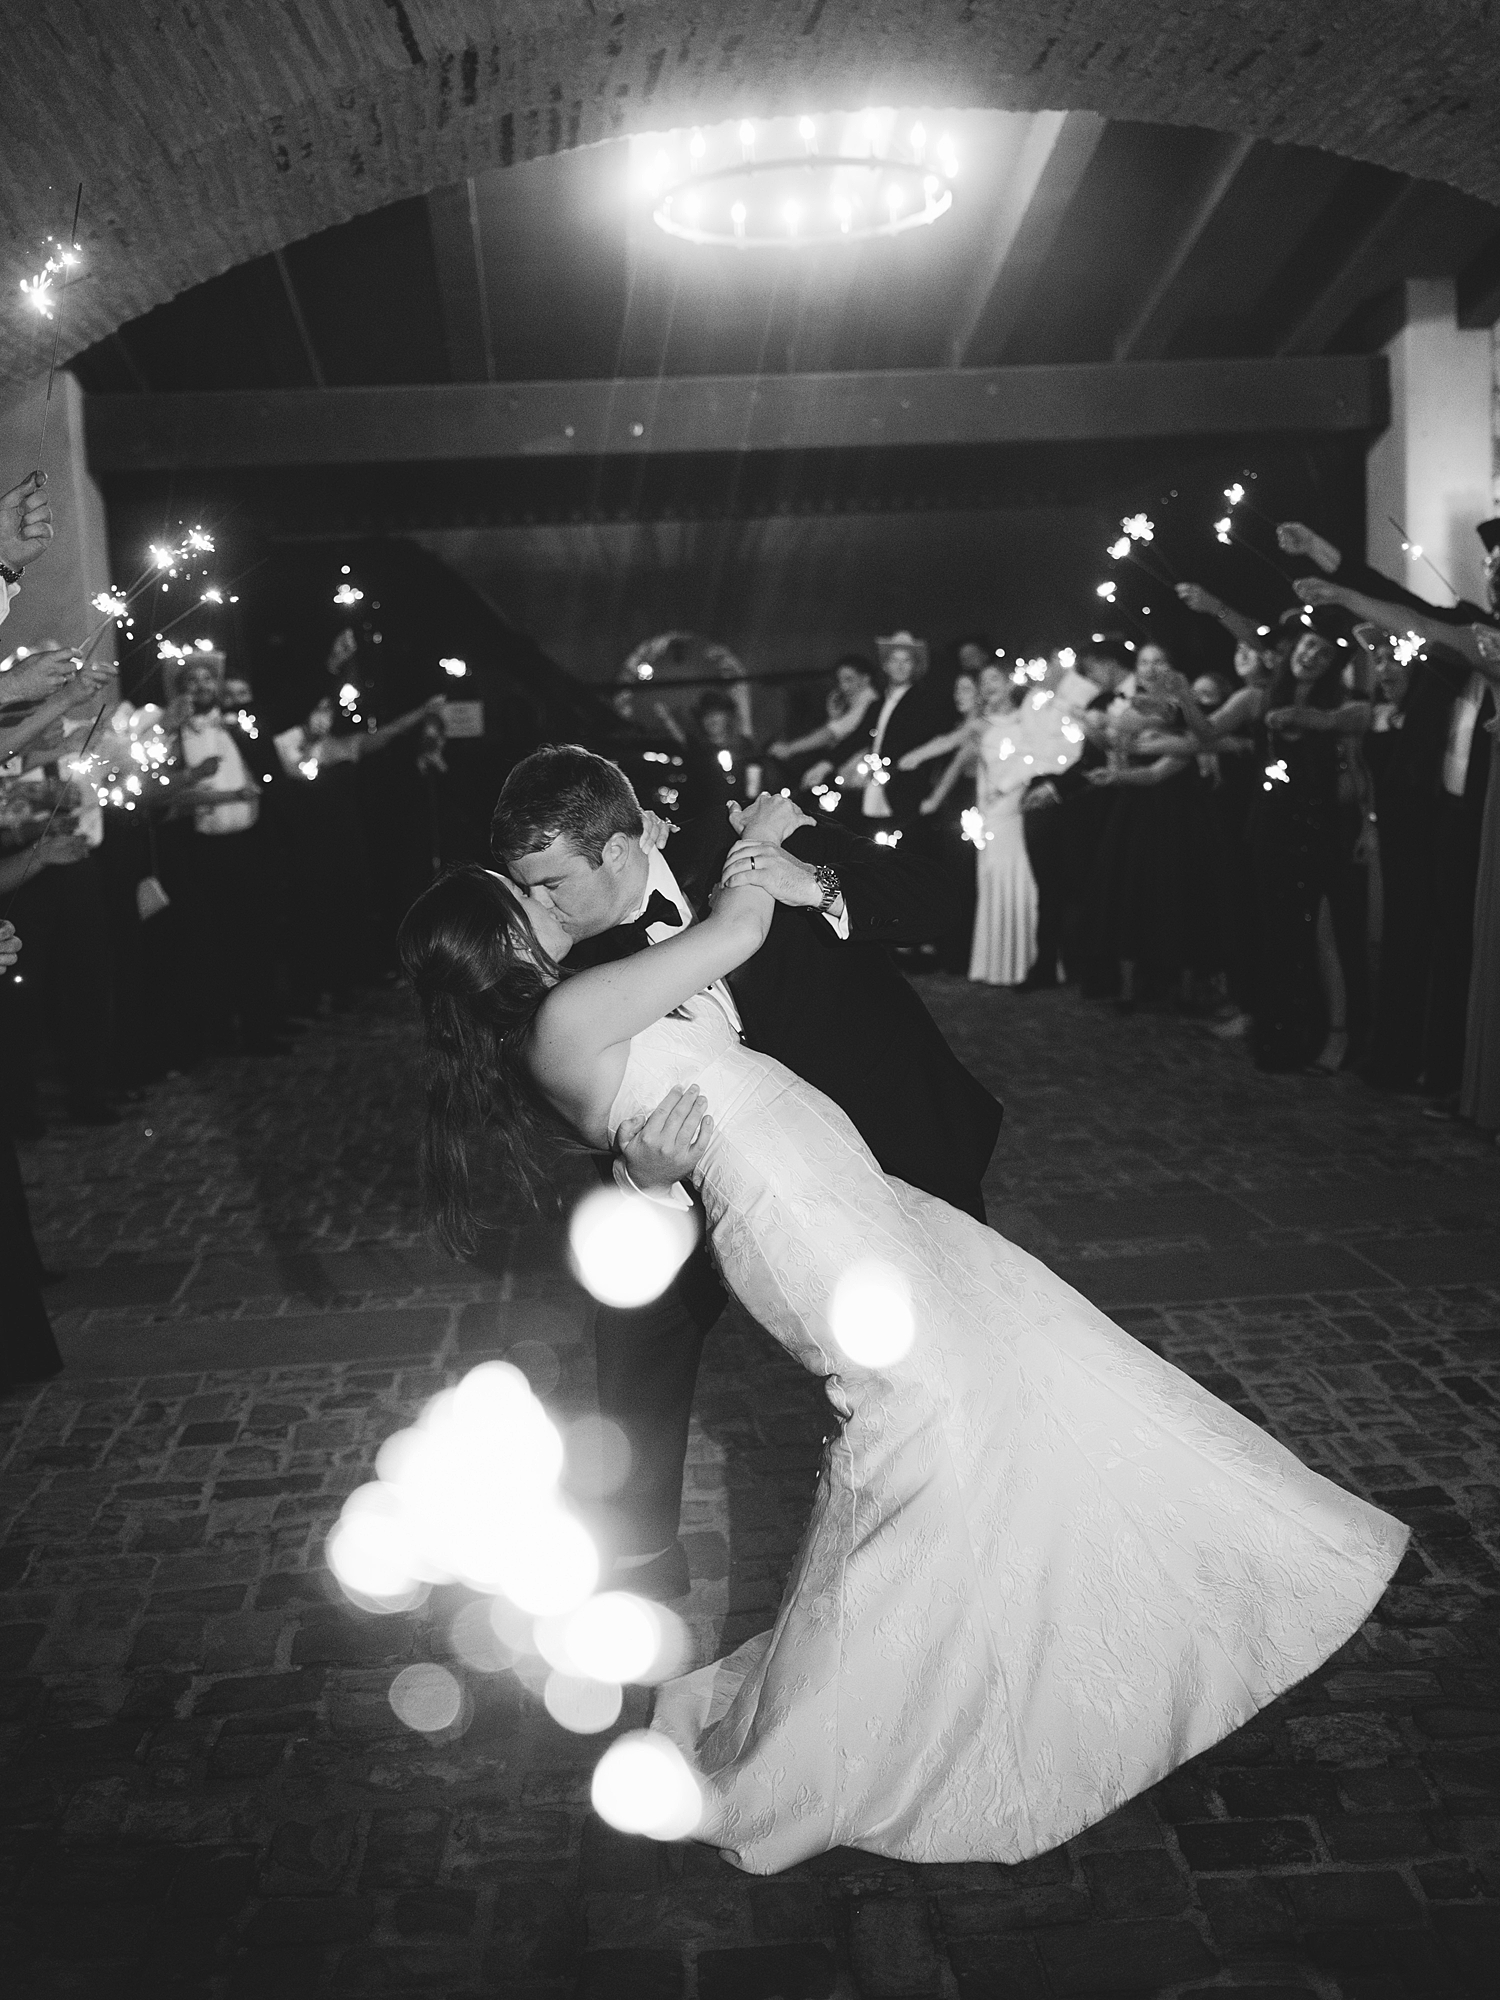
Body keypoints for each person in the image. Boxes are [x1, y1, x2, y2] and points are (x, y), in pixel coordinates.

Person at [400, 823, 1406, 1875]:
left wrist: (641, 1162)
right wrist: (754, 844)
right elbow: (740, 930)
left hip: (845, 1188)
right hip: (799, 1219)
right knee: (925, 1418)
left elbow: (641, 1110)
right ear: (505, 951)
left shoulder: (573, 1007)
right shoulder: (566, 1010)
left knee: (1004, 1375)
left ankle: (1017, 1641)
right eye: (531, 907)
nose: (553, 909)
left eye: (547, 891)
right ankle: (872, 1726)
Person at [489, 746, 1002, 1600]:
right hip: (702, 1178)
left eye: (550, 883)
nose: (534, 904)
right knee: (636, 1315)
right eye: (522, 886)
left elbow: (940, 894)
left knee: (959, 1351)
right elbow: (553, 1123)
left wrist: (821, 887)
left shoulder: (748, 841)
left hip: (888, 1148)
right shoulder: (546, 960)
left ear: (618, 851)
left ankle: (973, 1520)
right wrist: (637, 1177)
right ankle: (639, 1555)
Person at [163, 655, 287, 1057]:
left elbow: (268, 771)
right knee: (207, 946)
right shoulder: (171, 734)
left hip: (247, 846)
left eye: (207, 679)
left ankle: (261, 1028)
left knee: (253, 939)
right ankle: (212, 1035)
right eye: (192, 680)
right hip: (200, 854)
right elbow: (170, 796)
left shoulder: (236, 726)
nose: (202, 686)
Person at [767, 655, 879, 793]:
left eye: (849, 679)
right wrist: (834, 716)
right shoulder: (849, 702)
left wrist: (789, 749)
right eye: (840, 680)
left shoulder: (869, 701)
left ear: (866, 679)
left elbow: (830, 734)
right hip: (844, 770)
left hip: (858, 777)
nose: (843, 686)